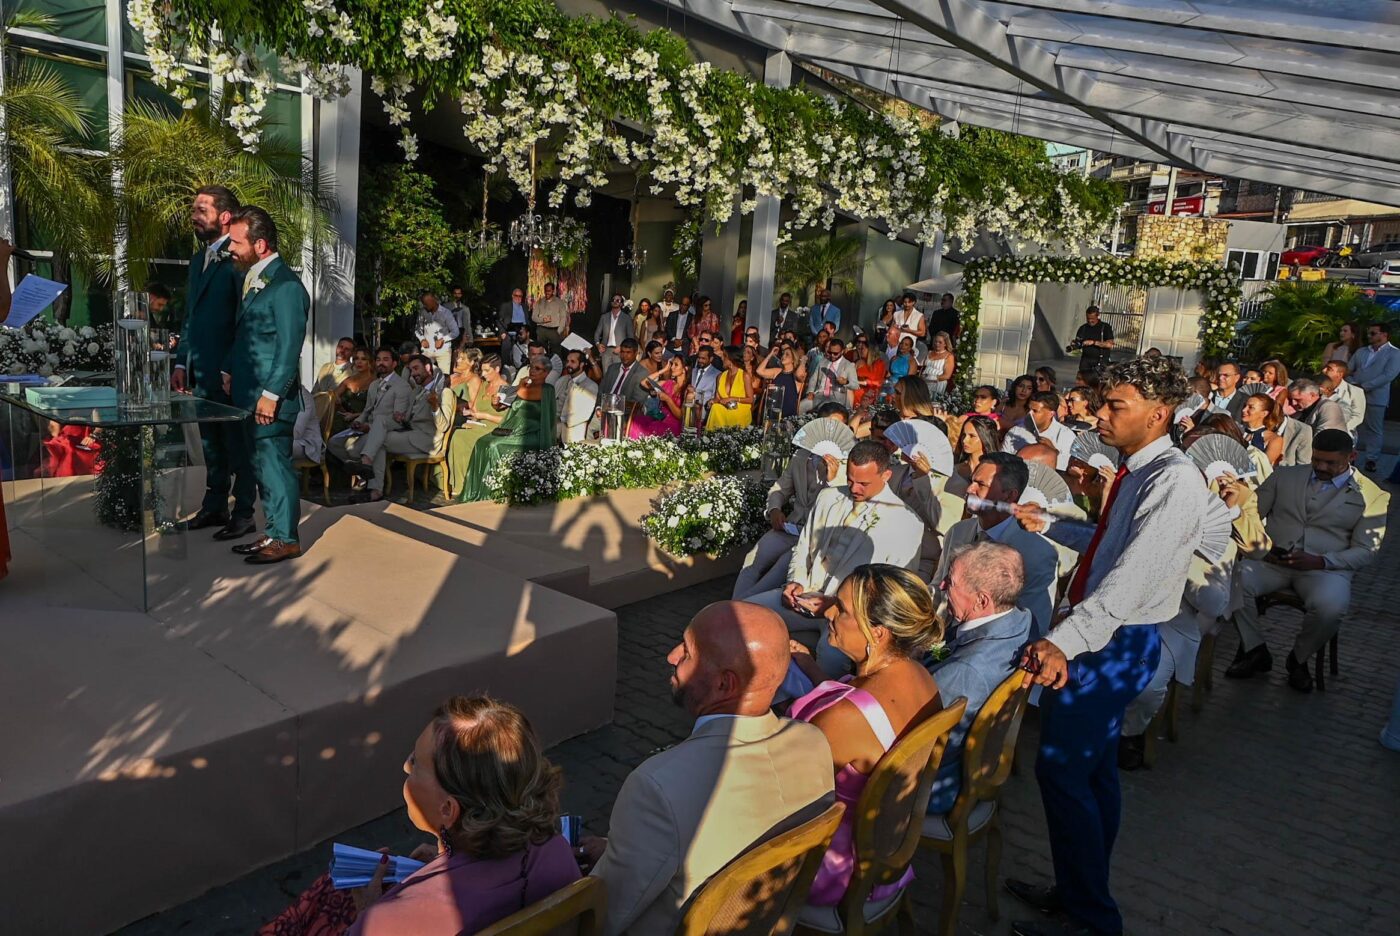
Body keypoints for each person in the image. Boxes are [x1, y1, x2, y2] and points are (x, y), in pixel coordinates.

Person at [1008, 356, 1211, 936]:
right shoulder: (1140, 469)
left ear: (1157, 414)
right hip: (1108, 636)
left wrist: (1062, 643)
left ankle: (1092, 916)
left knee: (1064, 773)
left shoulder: (1172, 480)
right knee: (1093, 775)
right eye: (1102, 403)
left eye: (1114, 405)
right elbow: (1110, 543)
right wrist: (1052, 525)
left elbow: (1131, 577)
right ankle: (1080, 891)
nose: (1099, 415)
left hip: (1113, 642)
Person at [579, 601, 835, 936]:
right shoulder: (814, 743)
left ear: (725, 685)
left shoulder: (657, 785)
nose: (671, 657)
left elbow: (604, 918)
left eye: (686, 652)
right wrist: (618, 848)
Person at [260, 696, 579, 936]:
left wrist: (368, 914)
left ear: (448, 809)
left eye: (415, 764)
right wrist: (446, 860)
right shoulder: (557, 853)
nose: (404, 766)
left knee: (329, 891)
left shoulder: (389, 923)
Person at [785, 565, 943, 908]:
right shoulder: (920, 677)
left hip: (833, 868)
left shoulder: (845, 716)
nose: (829, 612)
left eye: (841, 609)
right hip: (883, 852)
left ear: (878, 633)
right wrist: (810, 666)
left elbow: (784, 789)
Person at [1226, 429, 1389, 692]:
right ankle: (1255, 648)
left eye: (1330, 463)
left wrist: (1322, 561)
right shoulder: (1285, 476)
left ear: (1352, 457)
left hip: (1325, 570)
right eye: (1316, 460)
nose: (1321, 467)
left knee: (1332, 607)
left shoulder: (1373, 495)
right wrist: (1260, 546)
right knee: (1231, 579)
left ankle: (1299, 659)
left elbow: (1366, 550)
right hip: (1272, 562)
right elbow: (1254, 511)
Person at [746, 441, 926, 656]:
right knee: (743, 615)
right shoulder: (828, 496)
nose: (854, 488)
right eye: (850, 480)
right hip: (802, 598)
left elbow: (891, 590)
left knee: (830, 659)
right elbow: (803, 546)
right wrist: (796, 582)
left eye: (863, 483)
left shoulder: (906, 522)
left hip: (850, 618)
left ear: (886, 475)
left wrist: (837, 605)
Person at [174, 185, 256, 543]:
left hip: (228, 375)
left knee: (238, 446)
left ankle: (243, 514)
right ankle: (214, 506)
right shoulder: (197, 261)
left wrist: (229, 367)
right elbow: (190, 317)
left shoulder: (238, 259)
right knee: (211, 445)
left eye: (200, 209)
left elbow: (244, 319)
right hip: (201, 374)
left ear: (224, 217)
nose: (193, 216)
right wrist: (181, 362)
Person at [926, 542, 1033, 814]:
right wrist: (927, 650)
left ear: (982, 600)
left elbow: (912, 736)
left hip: (934, 785)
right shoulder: (1020, 622)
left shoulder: (965, 672)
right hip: (964, 765)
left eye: (950, 582)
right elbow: (950, 647)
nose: (941, 587)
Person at [936, 454, 1059, 638]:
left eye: (981, 485)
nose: (970, 489)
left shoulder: (1037, 553)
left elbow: (1033, 624)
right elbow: (938, 588)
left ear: (1010, 496)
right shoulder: (958, 532)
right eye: (971, 481)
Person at [735, 420, 848, 600]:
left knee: (781, 567)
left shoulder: (846, 466)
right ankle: (734, 603)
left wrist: (832, 480)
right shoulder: (800, 457)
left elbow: (840, 506)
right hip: (790, 527)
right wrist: (774, 509)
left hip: (814, 537)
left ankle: (742, 606)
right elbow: (779, 489)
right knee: (753, 558)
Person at [333, 355, 453, 504]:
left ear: (428, 368)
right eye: (410, 370)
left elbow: (444, 426)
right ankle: (374, 488)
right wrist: (400, 417)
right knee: (381, 422)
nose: (413, 373)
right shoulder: (416, 392)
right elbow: (408, 419)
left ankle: (367, 469)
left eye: (416, 369)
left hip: (428, 440)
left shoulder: (444, 392)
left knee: (376, 442)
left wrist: (435, 406)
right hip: (410, 433)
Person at [457, 356, 556, 503]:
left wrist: (520, 386)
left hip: (532, 434)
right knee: (481, 442)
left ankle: (493, 492)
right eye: (531, 367)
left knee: (493, 446)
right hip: (512, 430)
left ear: (546, 373)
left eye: (537, 369)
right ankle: (477, 491)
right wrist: (495, 402)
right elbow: (503, 404)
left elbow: (523, 394)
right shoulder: (523, 386)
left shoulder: (546, 389)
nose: (532, 371)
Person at [445, 354, 507, 496]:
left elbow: (505, 419)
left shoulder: (506, 389)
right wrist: (467, 412)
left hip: (495, 427)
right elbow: (476, 409)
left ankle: (465, 484)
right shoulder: (484, 385)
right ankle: (455, 481)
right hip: (478, 422)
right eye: (482, 371)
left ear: (497, 369)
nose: (483, 375)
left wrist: (483, 416)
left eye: (487, 371)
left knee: (461, 437)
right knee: (454, 432)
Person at [1346, 321, 1400, 472]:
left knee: (1374, 429)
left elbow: (1388, 375)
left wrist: (1364, 386)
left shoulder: (1395, 353)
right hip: (1355, 394)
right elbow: (1348, 370)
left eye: (1373, 333)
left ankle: (1371, 459)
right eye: (1369, 333)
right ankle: (1349, 456)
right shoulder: (1362, 351)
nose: (1369, 336)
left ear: (1384, 335)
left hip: (1376, 397)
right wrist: (1353, 384)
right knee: (1351, 425)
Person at [590, 339, 650, 438]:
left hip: (623, 415)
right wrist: (598, 407)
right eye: (622, 352)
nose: (624, 356)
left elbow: (637, 401)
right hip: (603, 412)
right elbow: (601, 390)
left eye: (628, 353)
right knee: (588, 428)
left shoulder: (642, 373)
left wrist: (614, 410)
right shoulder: (612, 368)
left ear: (636, 353)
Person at [1002, 391, 1076, 470]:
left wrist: (1054, 451)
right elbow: (1003, 461)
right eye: (1029, 409)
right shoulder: (1015, 431)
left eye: (1035, 411)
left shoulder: (1066, 435)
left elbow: (1069, 466)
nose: (1030, 414)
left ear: (1051, 414)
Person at [630, 354, 686, 439]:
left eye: (676, 365)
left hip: (674, 425)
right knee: (635, 423)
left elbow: (681, 416)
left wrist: (668, 399)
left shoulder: (686, 389)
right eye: (672, 364)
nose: (672, 367)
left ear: (685, 369)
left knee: (652, 429)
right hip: (660, 418)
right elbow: (644, 383)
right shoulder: (668, 383)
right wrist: (662, 370)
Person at [801, 337, 856, 414]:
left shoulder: (848, 365)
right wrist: (810, 391)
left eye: (835, 353)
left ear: (842, 351)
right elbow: (813, 379)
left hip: (836, 398)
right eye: (830, 352)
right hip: (818, 395)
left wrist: (846, 382)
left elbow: (855, 385)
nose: (832, 355)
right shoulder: (822, 362)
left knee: (824, 408)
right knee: (802, 405)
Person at [704, 346, 754, 430]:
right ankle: (712, 438)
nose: (722, 358)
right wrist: (712, 401)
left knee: (730, 412)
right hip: (725, 407)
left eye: (724, 356)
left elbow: (750, 399)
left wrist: (731, 398)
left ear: (731, 358)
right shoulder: (720, 376)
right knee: (715, 408)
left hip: (740, 409)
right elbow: (718, 398)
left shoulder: (744, 376)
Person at [555, 349, 598, 444]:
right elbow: (557, 404)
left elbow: (583, 414)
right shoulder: (565, 381)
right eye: (567, 361)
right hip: (557, 432)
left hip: (574, 435)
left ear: (582, 364)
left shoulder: (590, 386)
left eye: (573, 362)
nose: (568, 365)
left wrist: (561, 419)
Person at [415, 290, 459, 377]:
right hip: (427, 350)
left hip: (443, 350)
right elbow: (417, 329)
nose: (424, 306)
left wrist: (443, 339)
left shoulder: (446, 313)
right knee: (424, 375)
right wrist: (422, 339)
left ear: (433, 301)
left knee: (443, 376)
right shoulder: (422, 313)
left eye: (426, 304)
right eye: (423, 303)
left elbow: (455, 332)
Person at [593, 292, 636, 374]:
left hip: (620, 350)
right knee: (606, 375)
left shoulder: (626, 318)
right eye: (613, 300)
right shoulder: (604, 317)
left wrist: (622, 347)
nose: (615, 301)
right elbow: (597, 333)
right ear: (611, 302)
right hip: (606, 350)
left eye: (618, 300)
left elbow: (630, 337)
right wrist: (598, 344)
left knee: (617, 374)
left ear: (621, 304)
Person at [1240, 392, 1285, 466]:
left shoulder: (1274, 439)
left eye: (1251, 407)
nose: (1244, 410)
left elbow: (1263, 468)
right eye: (1244, 406)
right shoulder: (1236, 430)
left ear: (1263, 413)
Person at [1320, 359, 1365, 434]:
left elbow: (1357, 416)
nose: (1324, 371)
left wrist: (1340, 429)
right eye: (1325, 367)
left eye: (1329, 369)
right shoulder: (1316, 386)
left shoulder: (1355, 392)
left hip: (1343, 432)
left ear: (1340, 374)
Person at [756, 343, 801, 418]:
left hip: (788, 413)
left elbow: (802, 374)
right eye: (783, 354)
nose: (783, 356)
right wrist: (770, 354)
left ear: (793, 359)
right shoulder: (777, 371)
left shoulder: (796, 375)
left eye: (787, 354)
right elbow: (759, 371)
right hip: (773, 410)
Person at [1069, 305, 1114, 374]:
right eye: (1088, 318)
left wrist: (1093, 342)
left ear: (1097, 316)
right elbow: (1079, 343)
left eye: (1092, 318)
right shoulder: (1083, 328)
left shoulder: (1105, 327)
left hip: (1100, 361)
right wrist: (1074, 345)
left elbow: (1110, 345)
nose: (1090, 320)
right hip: (1085, 362)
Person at [849, 333, 887, 411]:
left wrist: (863, 382)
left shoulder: (879, 363)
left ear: (870, 351)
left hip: (870, 394)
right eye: (860, 348)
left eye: (863, 349)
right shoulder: (859, 362)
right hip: (856, 392)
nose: (861, 350)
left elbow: (879, 382)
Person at [531, 281, 570, 353]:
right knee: (541, 351)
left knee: (556, 352)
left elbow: (563, 318)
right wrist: (543, 320)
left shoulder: (559, 302)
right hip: (541, 330)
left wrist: (559, 331)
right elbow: (533, 317)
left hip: (554, 330)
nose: (547, 292)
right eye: (545, 290)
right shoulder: (540, 302)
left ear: (553, 291)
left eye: (549, 291)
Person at [291, 386, 325, 465]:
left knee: (271, 446)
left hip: (306, 443)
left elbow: (296, 433)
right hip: (287, 438)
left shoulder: (302, 395)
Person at [922, 331, 956, 396]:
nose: (937, 344)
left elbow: (947, 375)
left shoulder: (949, 356)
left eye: (940, 342)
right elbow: (923, 368)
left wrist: (931, 378)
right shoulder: (929, 352)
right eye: (935, 341)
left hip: (938, 384)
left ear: (945, 344)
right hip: (924, 383)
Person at [689, 345, 719, 409]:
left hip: (704, 412)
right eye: (699, 358)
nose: (700, 360)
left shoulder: (717, 375)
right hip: (690, 409)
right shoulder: (693, 370)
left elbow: (715, 397)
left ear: (711, 359)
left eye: (703, 358)